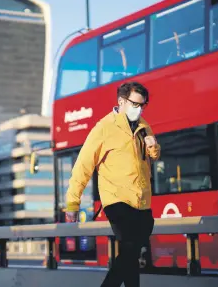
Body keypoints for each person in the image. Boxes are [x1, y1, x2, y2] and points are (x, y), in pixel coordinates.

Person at [65, 82, 160, 287]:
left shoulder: (144, 127)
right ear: (121, 102)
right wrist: (73, 203)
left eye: (143, 105)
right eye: (135, 104)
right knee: (130, 247)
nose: (140, 109)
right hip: (116, 200)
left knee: (131, 253)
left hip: (141, 201)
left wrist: (154, 148)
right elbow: (83, 166)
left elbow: (149, 159)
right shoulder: (104, 128)